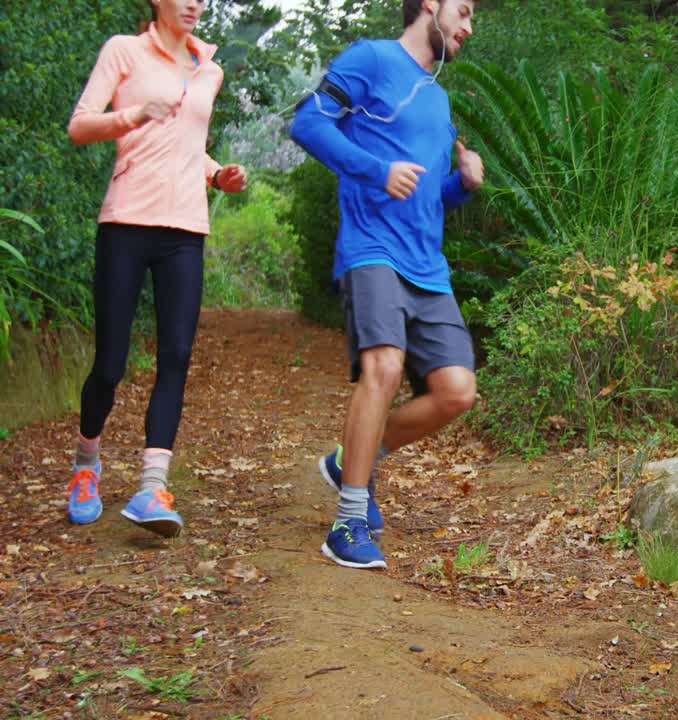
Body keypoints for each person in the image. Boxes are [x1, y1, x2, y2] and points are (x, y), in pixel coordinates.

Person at [290, 0, 484, 569]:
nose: (468, 28)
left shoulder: (439, 98)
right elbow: (306, 121)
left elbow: (428, 193)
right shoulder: (370, 59)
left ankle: (354, 456)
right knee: (385, 366)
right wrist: (377, 170)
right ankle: (348, 522)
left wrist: (464, 184)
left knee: (456, 391)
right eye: (464, 12)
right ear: (429, 5)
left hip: (427, 263)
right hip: (371, 248)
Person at [65, 0, 247, 537]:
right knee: (112, 363)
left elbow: (189, 145)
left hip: (186, 230)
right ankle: (86, 464)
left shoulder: (208, 70)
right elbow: (79, 127)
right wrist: (133, 115)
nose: (195, 3)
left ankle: (151, 487)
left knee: (176, 355)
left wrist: (217, 175)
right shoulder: (124, 52)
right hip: (126, 222)